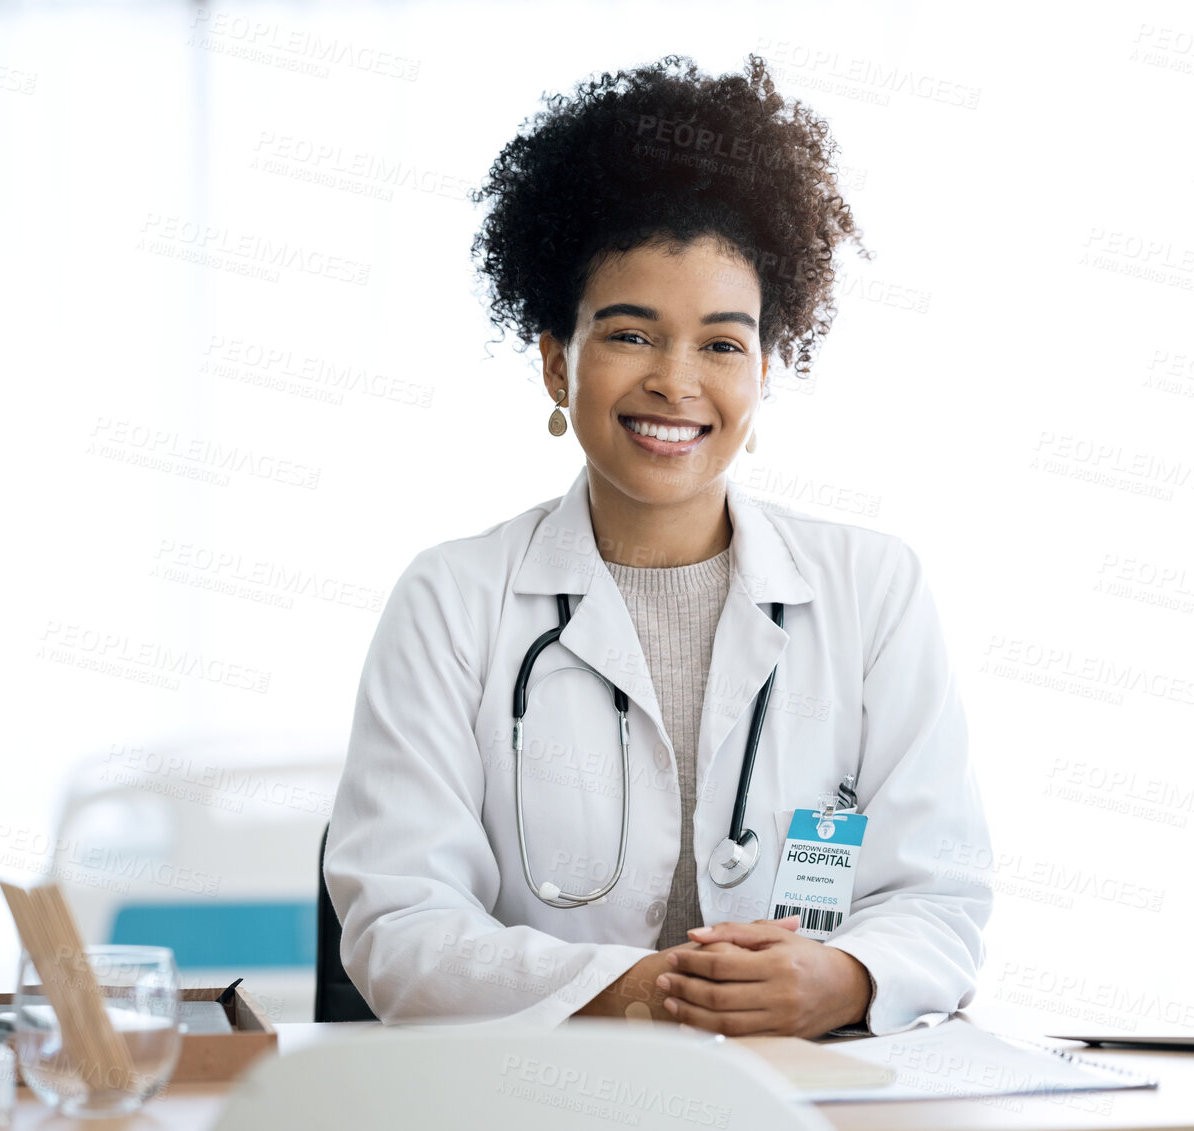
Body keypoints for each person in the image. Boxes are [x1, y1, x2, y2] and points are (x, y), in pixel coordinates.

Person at [324, 53, 992, 1038]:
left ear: (765, 369)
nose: (676, 382)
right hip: (549, 1096)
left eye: (720, 344)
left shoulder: (873, 590)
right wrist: (646, 993)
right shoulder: (450, 599)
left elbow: (939, 899)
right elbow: (403, 928)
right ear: (557, 360)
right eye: (631, 334)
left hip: (812, 1099)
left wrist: (840, 979)